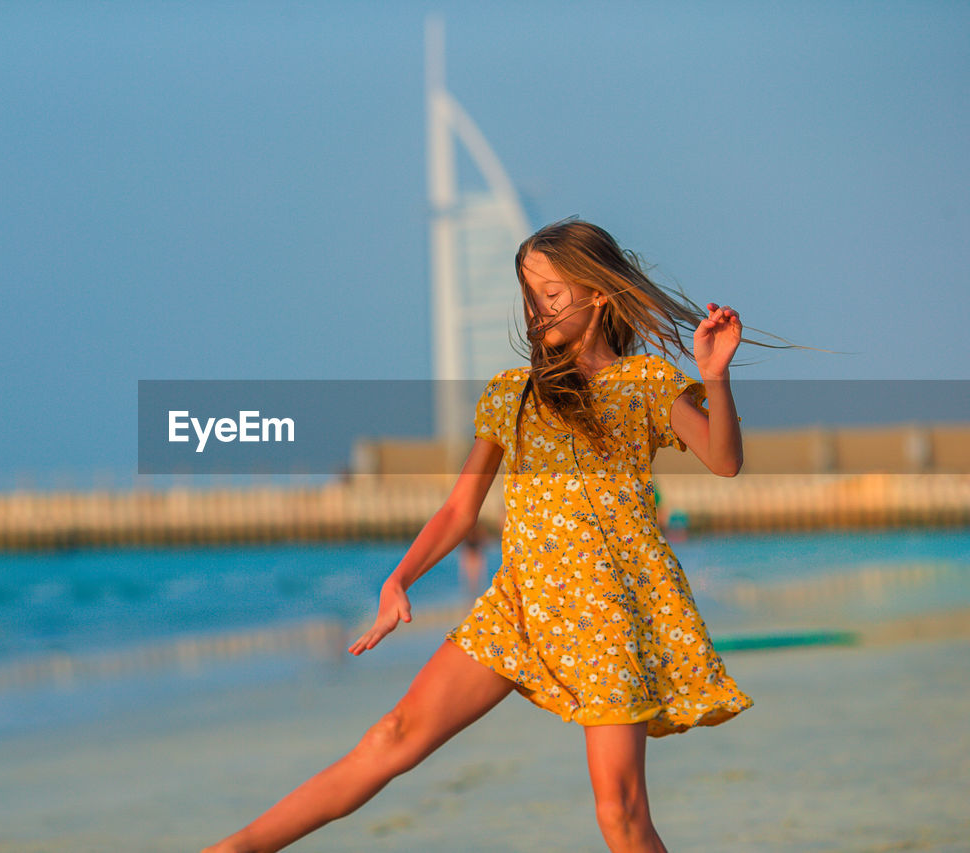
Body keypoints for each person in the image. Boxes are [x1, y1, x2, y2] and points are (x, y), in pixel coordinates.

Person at [203, 218, 770, 853]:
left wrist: (715, 376)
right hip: (520, 606)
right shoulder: (512, 394)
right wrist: (399, 578)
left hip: (606, 615)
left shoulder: (646, 386)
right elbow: (458, 511)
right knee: (391, 736)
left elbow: (724, 460)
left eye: (552, 295)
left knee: (620, 813)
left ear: (599, 293)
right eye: (530, 296)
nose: (537, 311)